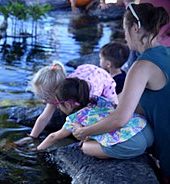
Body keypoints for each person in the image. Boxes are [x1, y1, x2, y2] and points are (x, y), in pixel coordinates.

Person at [72, 3, 170, 182]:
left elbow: (120, 119)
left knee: (86, 146)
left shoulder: (142, 66)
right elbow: (126, 100)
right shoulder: (166, 53)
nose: (124, 36)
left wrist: (84, 131)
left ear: (135, 28)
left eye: (125, 29)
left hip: (167, 151)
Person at [36, 78, 153, 160]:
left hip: (132, 145)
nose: (57, 107)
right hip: (146, 130)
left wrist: (37, 150)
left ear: (68, 104)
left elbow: (54, 137)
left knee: (84, 147)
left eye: (58, 104)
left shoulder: (74, 119)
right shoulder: (99, 101)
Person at [15, 62, 118, 146]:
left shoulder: (87, 95)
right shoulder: (58, 90)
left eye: (45, 98)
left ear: (55, 92)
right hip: (86, 70)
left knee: (111, 107)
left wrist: (86, 133)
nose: (43, 102)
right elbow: (44, 118)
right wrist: (32, 137)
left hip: (102, 78)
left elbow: (92, 115)